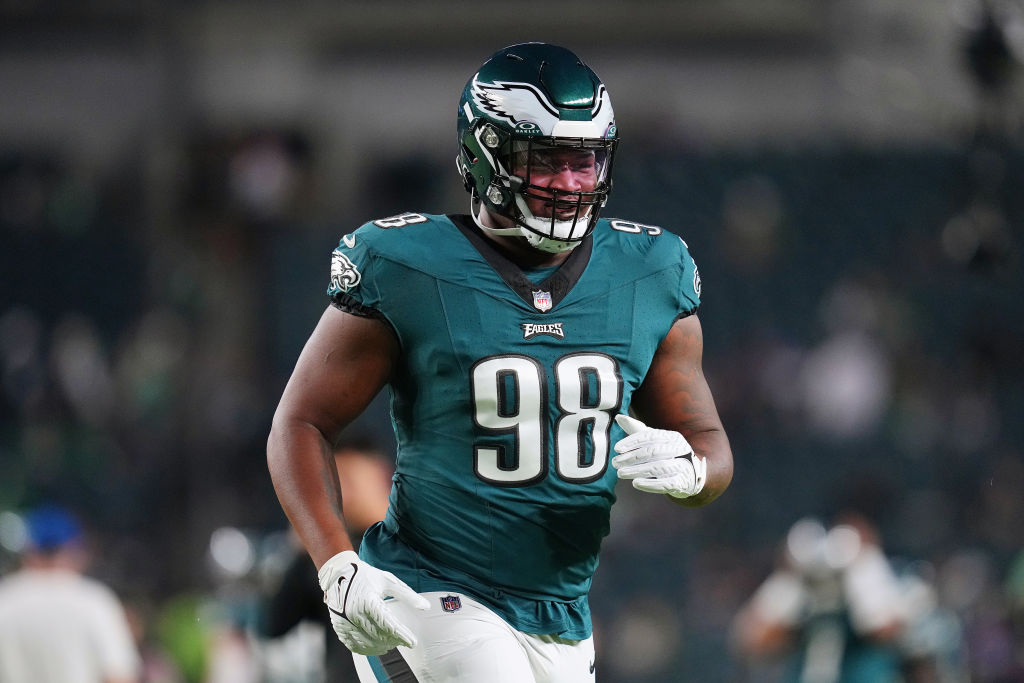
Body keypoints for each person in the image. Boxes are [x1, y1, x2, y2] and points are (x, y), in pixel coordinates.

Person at [267, 42, 734, 682]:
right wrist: (336, 567)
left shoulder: (650, 271)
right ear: (487, 156)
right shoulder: (405, 264)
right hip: (428, 588)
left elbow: (709, 443)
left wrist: (693, 470)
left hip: (563, 612)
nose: (571, 183)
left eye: (585, 163)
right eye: (546, 163)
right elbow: (301, 422)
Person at [263, 438, 394, 681]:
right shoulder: (330, 554)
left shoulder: (413, 536)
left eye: (350, 478)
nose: (345, 492)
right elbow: (273, 625)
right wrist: (304, 539)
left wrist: (379, 512)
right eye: (335, 479)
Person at [731, 514, 909, 683]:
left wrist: (863, 575)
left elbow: (885, 629)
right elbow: (749, 640)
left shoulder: (874, 575)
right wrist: (792, 584)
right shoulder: (802, 582)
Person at [0, 504, 141, 683]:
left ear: (28, 550)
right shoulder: (94, 601)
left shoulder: (3, 600)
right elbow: (119, 676)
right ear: (73, 550)